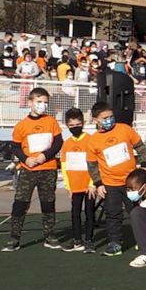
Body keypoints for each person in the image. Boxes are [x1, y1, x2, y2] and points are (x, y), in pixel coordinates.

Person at [2, 87, 64, 252]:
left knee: (48, 202)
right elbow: (15, 147)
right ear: (30, 102)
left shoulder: (51, 121)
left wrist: (46, 155)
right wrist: (26, 159)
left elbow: (58, 142)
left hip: (48, 169)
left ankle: (49, 235)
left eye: (45, 102)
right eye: (39, 101)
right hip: (28, 170)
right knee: (20, 203)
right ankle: (14, 238)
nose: (42, 105)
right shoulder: (21, 125)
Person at [86, 102, 146, 256]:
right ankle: (115, 243)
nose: (109, 120)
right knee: (113, 214)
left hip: (131, 183)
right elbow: (92, 165)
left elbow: (140, 146)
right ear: (95, 120)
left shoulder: (125, 129)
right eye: (105, 118)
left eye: (111, 116)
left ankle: (143, 241)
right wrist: (98, 183)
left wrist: (144, 166)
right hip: (110, 184)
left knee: (137, 211)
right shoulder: (93, 140)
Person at [59, 107, 96, 253]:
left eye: (78, 124)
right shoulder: (66, 143)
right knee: (75, 213)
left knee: (89, 212)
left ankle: (89, 241)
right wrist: (68, 186)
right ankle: (77, 240)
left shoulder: (90, 140)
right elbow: (64, 165)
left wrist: (93, 183)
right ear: (67, 125)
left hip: (89, 185)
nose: (75, 127)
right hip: (74, 186)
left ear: (83, 123)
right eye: (71, 125)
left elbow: (96, 163)